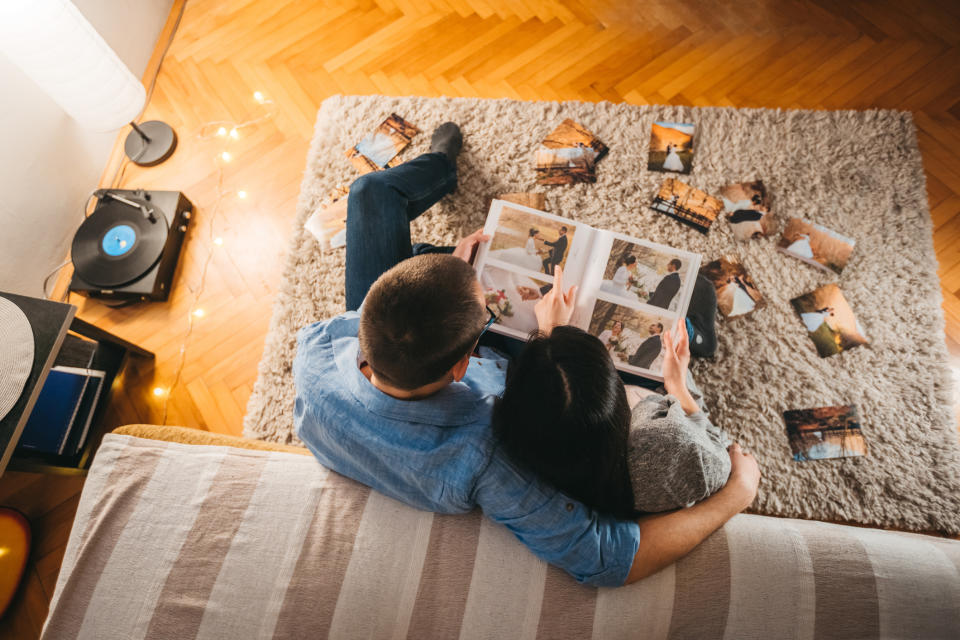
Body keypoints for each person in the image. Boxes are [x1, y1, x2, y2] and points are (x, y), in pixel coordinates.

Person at [295, 122, 756, 587]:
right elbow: (607, 558)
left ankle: (439, 171)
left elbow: (387, 321)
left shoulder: (316, 349)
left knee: (371, 190)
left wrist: (451, 274)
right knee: (689, 300)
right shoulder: (484, 455)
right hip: (519, 379)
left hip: (399, 352)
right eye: (484, 308)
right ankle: (699, 333)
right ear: (464, 363)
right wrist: (736, 494)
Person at [493, 310, 756, 522]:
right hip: (671, 398)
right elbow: (718, 447)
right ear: (614, 399)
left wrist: (555, 335)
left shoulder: (523, 440)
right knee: (696, 308)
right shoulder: (672, 444)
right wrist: (678, 387)